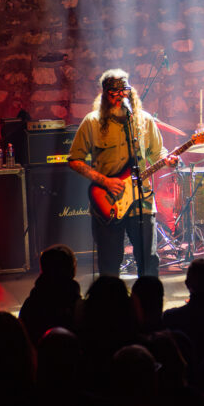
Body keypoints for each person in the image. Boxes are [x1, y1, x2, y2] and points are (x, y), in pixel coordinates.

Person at [69, 68, 177, 277]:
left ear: (130, 92)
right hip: (108, 202)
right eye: (113, 93)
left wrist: (169, 161)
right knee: (109, 263)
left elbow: (158, 153)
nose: (119, 97)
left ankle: (147, 296)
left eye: (123, 92)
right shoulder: (92, 122)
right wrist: (105, 181)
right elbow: (75, 160)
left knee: (148, 260)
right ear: (104, 95)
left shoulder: (144, 120)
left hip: (142, 201)